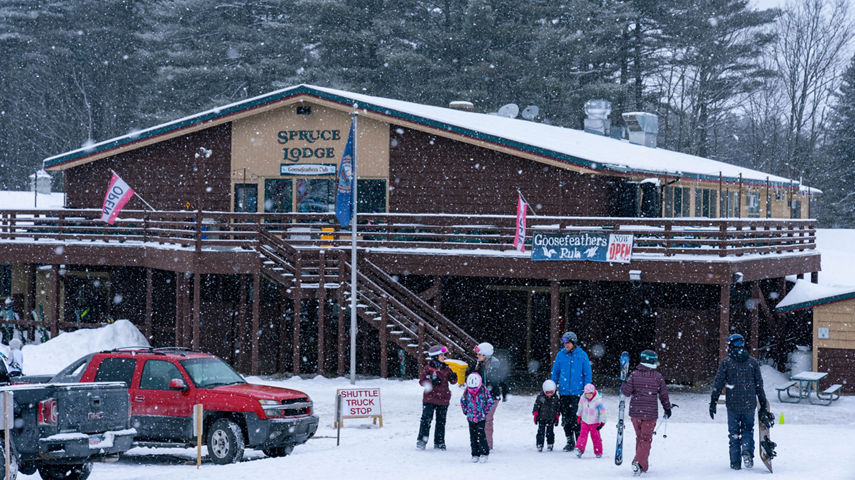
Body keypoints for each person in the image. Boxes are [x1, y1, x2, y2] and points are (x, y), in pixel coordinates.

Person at [709, 333, 769, 470]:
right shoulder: (752, 362)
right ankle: (747, 451)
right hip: (749, 404)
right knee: (748, 430)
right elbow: (759, 385)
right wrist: (763, 404)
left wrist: (713, 402)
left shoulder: (726, 363)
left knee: (734, 434)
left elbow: (718, 383)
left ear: (731, 346)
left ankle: (735, 463)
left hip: (733, 404)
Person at [621, 349, 672, 476]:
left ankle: (643, 466)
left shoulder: (634, 375)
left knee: (640, 438)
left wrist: (623, 383)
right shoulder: (658, 376)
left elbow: (626, 392)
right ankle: (638, 462)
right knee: (645, 439)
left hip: (635, 413)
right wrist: (667, 408)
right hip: (650, 414)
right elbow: (663, 395)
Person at [550, 331, 592, 451]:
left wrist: (587, 389)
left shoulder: (582, 355)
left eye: (568, 343)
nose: (566, 345)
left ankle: (579, 441)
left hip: (577, 393)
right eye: (564, 343)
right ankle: (569, 440)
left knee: (577, 418)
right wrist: (553, 386)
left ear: (574, 343)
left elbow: (587, 374)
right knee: (566, 418)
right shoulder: (560, 355)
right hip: (564, 393)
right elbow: (555, 372)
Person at [416, 344, 457, 450]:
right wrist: (431, 382)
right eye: (441, 355)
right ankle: (422, 441)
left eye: (444, 355)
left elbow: (453, 382)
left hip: (443, 399)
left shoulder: (446, 368)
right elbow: (421, 381)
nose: (443, 357)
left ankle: (439, 442)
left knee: (441, 422)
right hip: (430, 399)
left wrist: (454, 377)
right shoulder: (428, 368)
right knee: (426, 420)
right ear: (435, 357)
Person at [466, 342, 504, 450]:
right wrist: (475, 367)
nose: (477, 356)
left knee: (487, 419)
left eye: (479, 354)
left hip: (492, 396)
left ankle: (487, 444)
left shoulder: (495, 366)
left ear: (486, 355)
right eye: (477, 354)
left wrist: (504, 391)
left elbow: (500, 379)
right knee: (479, 420)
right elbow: (469, 376)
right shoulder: (477, 364)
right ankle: (479, 442)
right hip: (479, 397)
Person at [461, 372, 494, 463]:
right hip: (471, 418)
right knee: (473, 437)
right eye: (471, 388)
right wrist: (466, 411)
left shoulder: (484, 391)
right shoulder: (466, 392)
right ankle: (475, 454)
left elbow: (490, 402)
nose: (473, 390)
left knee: (481, 435)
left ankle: (484, 453)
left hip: (481, 418)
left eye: (474, 388)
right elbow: (462, 401)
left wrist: (485, 411)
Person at [574, 382, 606, 458]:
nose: (588, 396)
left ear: (593, 392)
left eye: (590, 394)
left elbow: (602, 412)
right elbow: (580, 407)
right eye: (586, 394)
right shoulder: (583, 399)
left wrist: (602, 422)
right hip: (584, 421)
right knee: (582, 436)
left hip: (595, 422)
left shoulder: (598, 401)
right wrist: (578, 415)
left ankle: (598, 451)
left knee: (596, 437)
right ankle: (579, 449)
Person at [532, 379, 561, 452]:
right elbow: (536, 406)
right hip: (541, 418)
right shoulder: (541, 397)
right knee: (540, 432)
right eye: (548, 393)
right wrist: (535, 414)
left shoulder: (555, 398)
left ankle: (550, 443)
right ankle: (540, 444)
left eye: (551, 392)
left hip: (551, 419)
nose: (549, 394)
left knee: (550, 432)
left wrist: (557, 416)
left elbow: (558, 408)